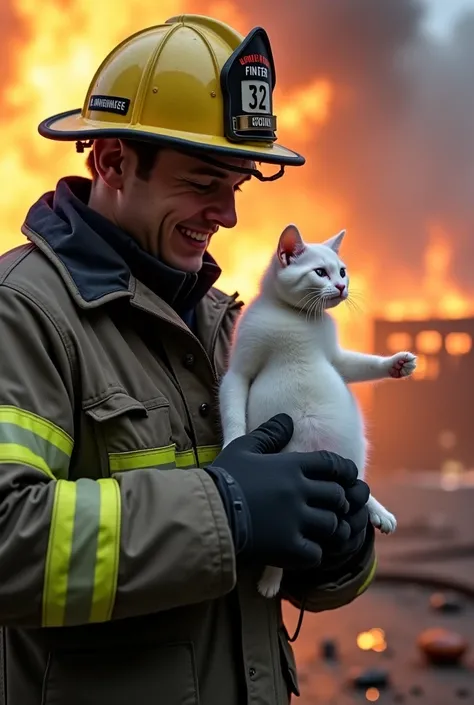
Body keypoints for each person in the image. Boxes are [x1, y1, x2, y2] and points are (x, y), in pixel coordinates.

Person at [0, 14, 376, 705]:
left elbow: (272, 561)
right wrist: (225, 508)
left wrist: (338, 550)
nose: (227, 214)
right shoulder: (21, 314)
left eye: (237, 184)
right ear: (112, 161)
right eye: (204, 182)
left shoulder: (232, 325)